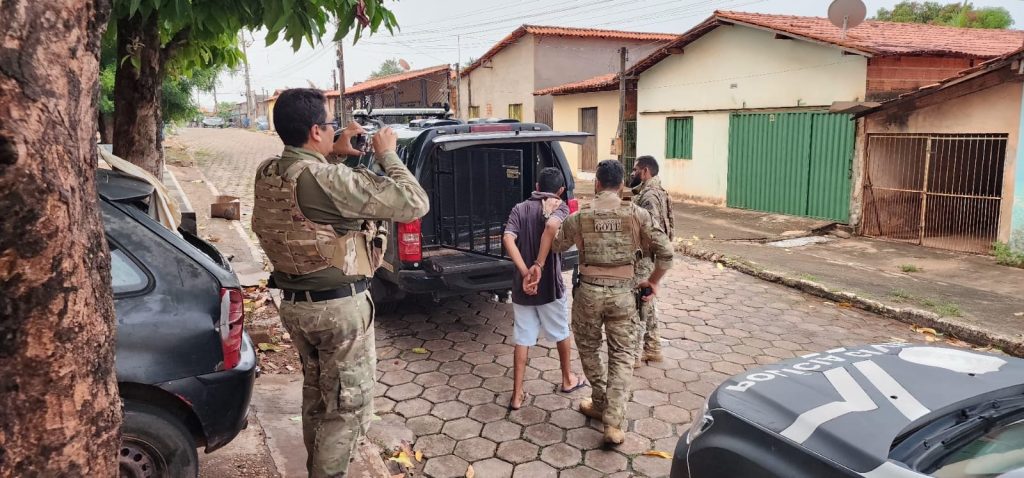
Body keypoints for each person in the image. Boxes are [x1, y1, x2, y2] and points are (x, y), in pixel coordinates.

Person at [251, 88, 429, 477]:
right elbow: (414, 202)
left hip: (297, 306)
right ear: (316, 130)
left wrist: (333, 150)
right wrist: (386, 153)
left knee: (318, 397)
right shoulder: (328, 179)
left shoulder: (268, 171)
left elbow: (306, 180)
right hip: (338, 312)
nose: (336, 131)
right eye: (331, 125)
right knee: (345, 410)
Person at [552, 159, 673, 445]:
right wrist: (653, 282)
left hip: (588, 296)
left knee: (590, 349)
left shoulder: (580, 217)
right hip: (624, 296)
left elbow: (557, 245)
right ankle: (614, 423)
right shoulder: (638, 214)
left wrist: (552, 217)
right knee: (621, 356)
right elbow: (666, 253)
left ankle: (599, 401)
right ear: (621, 186)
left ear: (596, 183)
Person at [502, 167, 587, 410]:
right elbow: (551, 227)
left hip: (523, 288)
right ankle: (567, 378)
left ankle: (517, 395)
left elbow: (507, 238)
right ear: (560, 190)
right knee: (561, 332)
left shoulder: (519, 208)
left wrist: (524, 272)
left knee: (522, 338)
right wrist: (538, 265)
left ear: (537, 186)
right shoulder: (559, 206)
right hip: (549, 286)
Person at [629, 155, 675, 364]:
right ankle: (653, 346)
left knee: (639, 303)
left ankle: (634, 354)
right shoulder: (658, 192)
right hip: (651, 256)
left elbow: (651, 230)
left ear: (645, 171)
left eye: (635, 169)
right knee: (648, 301)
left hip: (645, 256)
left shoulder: (649, 196)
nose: (632, 173)